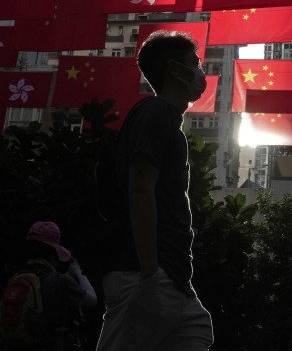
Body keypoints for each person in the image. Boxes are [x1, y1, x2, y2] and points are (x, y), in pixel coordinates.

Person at [95, 31, 214, 351]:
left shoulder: (166, 120)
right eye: (195, 63)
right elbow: (139, 189)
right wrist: (149, 270)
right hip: (144, 271)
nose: (201, 72)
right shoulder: (156, 112)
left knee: (197, 330)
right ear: (175, 69)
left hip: (173, 277)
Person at [20, 221, 98, 350]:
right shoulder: (61, 281)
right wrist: (78, 272)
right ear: (54, 253)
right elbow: (92, 299)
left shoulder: (18, 278)